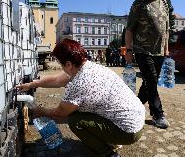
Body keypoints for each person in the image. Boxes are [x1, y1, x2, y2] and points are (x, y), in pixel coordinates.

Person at [17, 39, 145, 157]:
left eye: (61, 65)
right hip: (137, 119)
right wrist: (33, 84)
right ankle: (110, 138)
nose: (62, 68)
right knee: (81, 109)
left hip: (128, 132)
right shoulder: (88, 66)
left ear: (68, 64)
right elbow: (57, 80)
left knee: (75, 120)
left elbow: (61, 112)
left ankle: (109, 153)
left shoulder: (79, 83)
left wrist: (41, 111)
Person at [125, 0, 170, 129]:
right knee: (151, 80)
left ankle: (133, 107)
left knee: (150, 82)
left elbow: (166, 29)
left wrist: (166, 49)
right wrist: (128, 50)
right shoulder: (139, 4)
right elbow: (129, 29)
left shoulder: (164, 3)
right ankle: (157, 114)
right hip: (142, 50)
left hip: (159, 51)